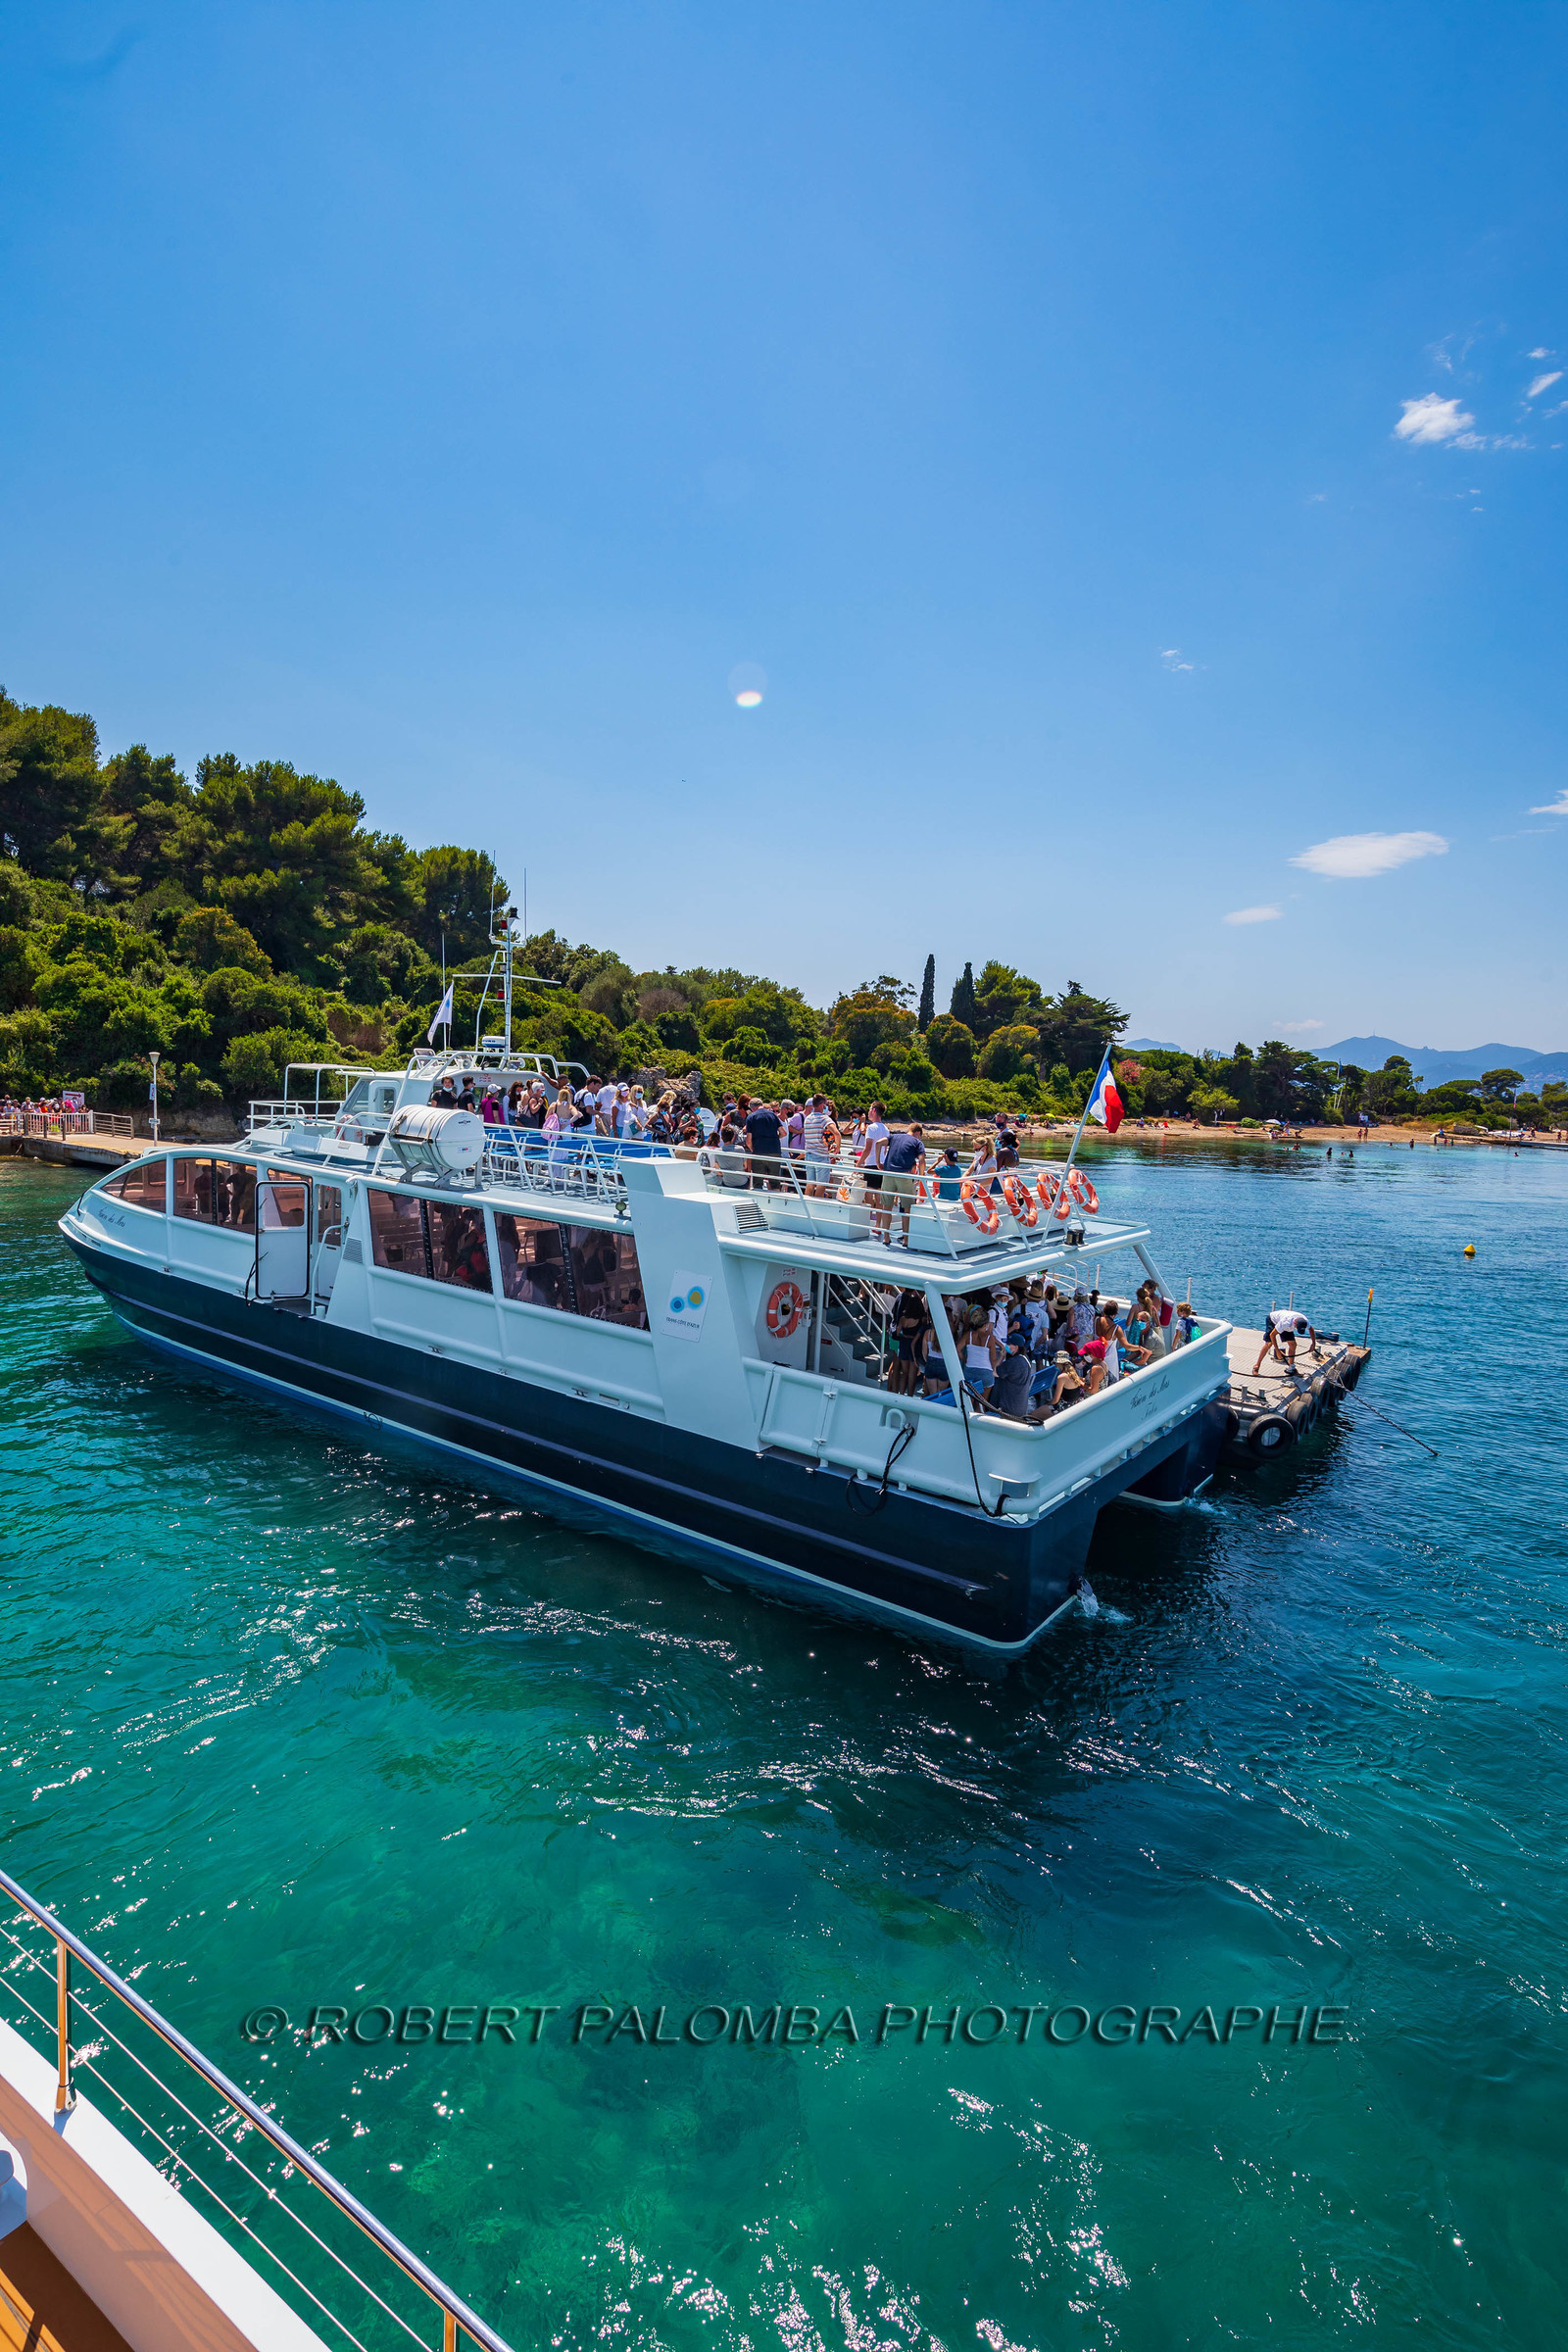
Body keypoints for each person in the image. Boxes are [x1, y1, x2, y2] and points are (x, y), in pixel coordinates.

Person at [882, 1122, 927, 1246]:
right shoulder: (917, 1142)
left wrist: (877, 1161)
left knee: (887, 1206)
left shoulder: (895, 1136)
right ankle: (906, 1240)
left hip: (888, 1173)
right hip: (904, 1175)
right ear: (918, 1133)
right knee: (907, 1208)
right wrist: (921, 1176)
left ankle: (886, 1237)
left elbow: (878, 1143)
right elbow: (922, 1160)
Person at [858, 1100, 891, 1239]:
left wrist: (859, 1162)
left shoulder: (871, 1128)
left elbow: (868, 1147)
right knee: (879, 1197)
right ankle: (878, 1224)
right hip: (882, 1164)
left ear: (873, 1111)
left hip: (871, 1163)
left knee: (868, 1195)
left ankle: (868, 1223)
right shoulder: (886, 1128)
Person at [1252, 1306, 1318, 1374]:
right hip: (1272, 1320)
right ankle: (1257, 1365)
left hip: (1287, 1326)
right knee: (1269, 1343)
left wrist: (1313, 1344)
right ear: (1295, 1324)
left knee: (1293, 1344)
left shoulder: (1305, 1321)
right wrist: (1277, 1351)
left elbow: (1311, 1329)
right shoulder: (1285, 1322)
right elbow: (1272, 1335)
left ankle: (1291, 1367)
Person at [990, 1334, 1036, 1420]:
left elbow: (995, 1372)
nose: (1006, 1346)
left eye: (1008, 1345)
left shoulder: (1013, 1363)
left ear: (1015, 1347)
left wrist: (1001, 1357)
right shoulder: (1025, 1359)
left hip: (1008, 1408)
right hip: (1020, 1406)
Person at [802, 1096, 840, 1197]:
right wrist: (837, 1147)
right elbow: (837, 1133)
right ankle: (816, 1208)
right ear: (822, 1105)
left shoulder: (807, 1118)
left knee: (810, 1184)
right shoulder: (824, 1118)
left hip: (809, 1155)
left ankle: (807, 1205)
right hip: (821, 1156)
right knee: (821, 1185)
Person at [744, 1096, 784, 1186]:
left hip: (759, 1151)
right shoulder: (773, 1115)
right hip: (775, 1151)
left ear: (752, 1108)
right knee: (775, 1182)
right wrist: (775, 1138)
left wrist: (752, 1149)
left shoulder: (751, 1117)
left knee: (757, 1182)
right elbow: (783, 1132)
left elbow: (748, 1141)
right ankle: (775, 1199)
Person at [962, 1308, 999, 1400]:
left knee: (970, 1401)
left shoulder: (968, 1335)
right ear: (986, 1325)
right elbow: (993, 1359)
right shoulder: (989, 1338)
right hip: (986, 1373)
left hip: (969, 1370)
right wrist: (994, 1370)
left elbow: (957, 1349)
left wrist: (965, 1359)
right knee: (982, 1402)